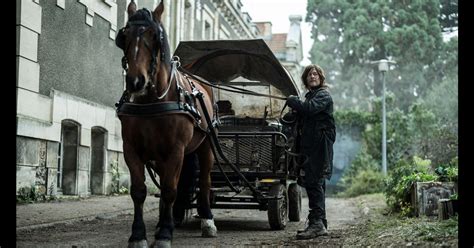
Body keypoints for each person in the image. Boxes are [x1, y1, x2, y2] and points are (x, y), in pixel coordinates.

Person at [286, 64, 336, 240]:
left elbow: (309, 109)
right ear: (306, 80)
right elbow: (301, 115)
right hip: (310, 145)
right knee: (315, 183)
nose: (312, 76)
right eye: (309, 75)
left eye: (315, 74)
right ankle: (319, 221)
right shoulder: (310, 96)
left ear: (321, 78)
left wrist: (294, 102)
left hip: (319, 145)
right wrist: (293, 111)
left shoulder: (323, 95)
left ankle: (317, 225)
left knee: (314, 183)